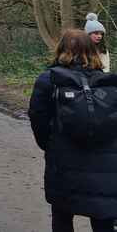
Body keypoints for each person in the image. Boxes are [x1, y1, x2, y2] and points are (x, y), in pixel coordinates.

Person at [28, 29, 117, 232]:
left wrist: (49, 144)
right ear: (92, 49)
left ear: (61, 49)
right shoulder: (110, 82)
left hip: (63, 158)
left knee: (62, 215)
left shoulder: (49, 79)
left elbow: (37, 117)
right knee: (103, 214)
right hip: (106, 163)